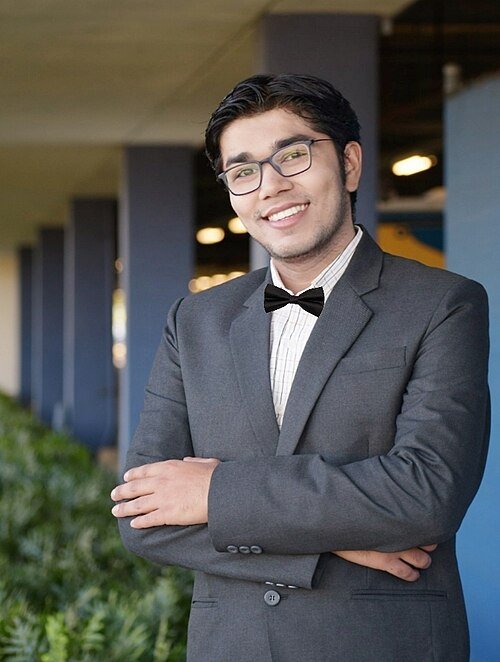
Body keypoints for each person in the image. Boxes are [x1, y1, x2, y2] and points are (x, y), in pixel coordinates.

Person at [111, 74, 490, 661]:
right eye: (243, 172)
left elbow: (426, 493)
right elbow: (141, 516)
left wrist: (213, 492)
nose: (271, 186)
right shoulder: (195, 320)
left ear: (349, 164)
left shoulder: (442, 304)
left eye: (293, 156)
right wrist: (329, 547)